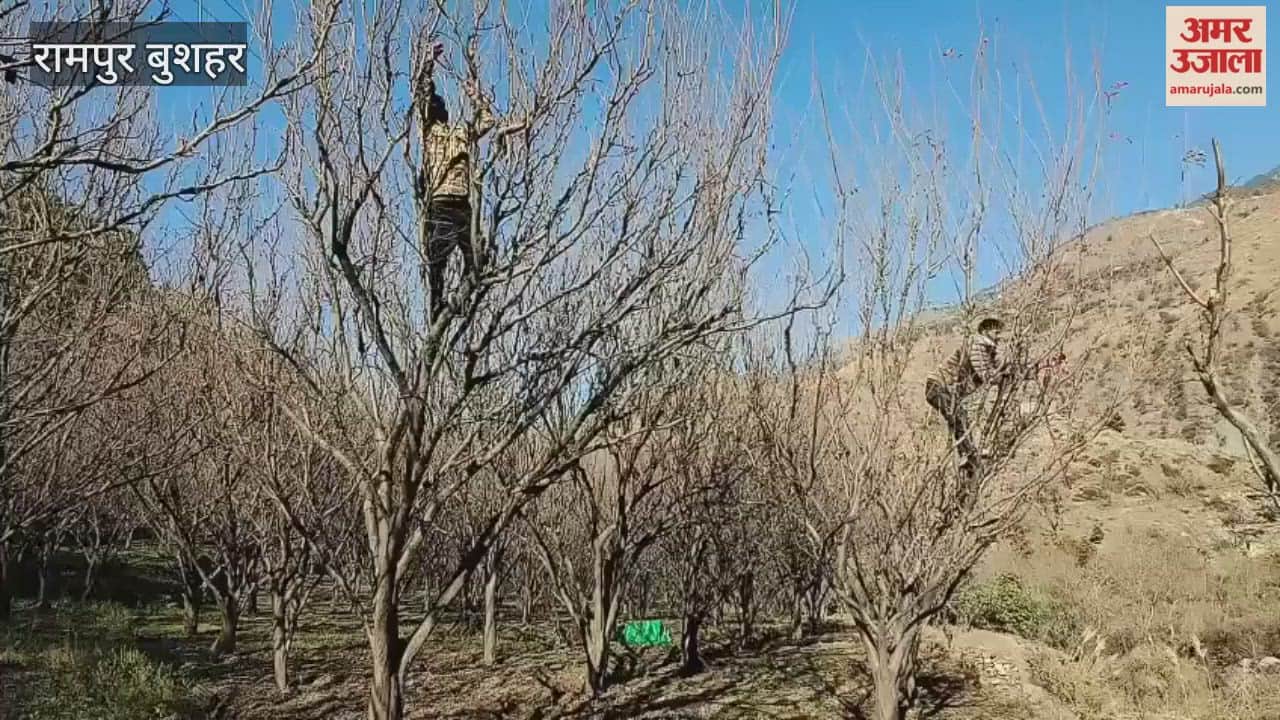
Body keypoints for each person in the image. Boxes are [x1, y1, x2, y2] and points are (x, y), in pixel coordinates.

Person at [420, 43, 496, 318]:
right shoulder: (429, 132)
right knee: (438, 259)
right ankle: (436, 308)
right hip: (440, 201)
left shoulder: (462, 131)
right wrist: (428, 64)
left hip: (463, 202)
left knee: (475, 255)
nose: (436, 108)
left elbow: (487, 121)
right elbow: (422, 94)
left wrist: (477, 96)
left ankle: (462, 301)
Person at [924, 317, 1014, 472]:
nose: (999, 336)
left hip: (945, 388)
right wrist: (1002, 375)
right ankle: (968, 455)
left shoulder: (987, 350)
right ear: (985, 331)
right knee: (959, 416)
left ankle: (966, 457)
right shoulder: (977, 344)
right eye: (996, 332)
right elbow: (985, 373)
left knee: (959, 417)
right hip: (939, 386)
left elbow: (996, 368)